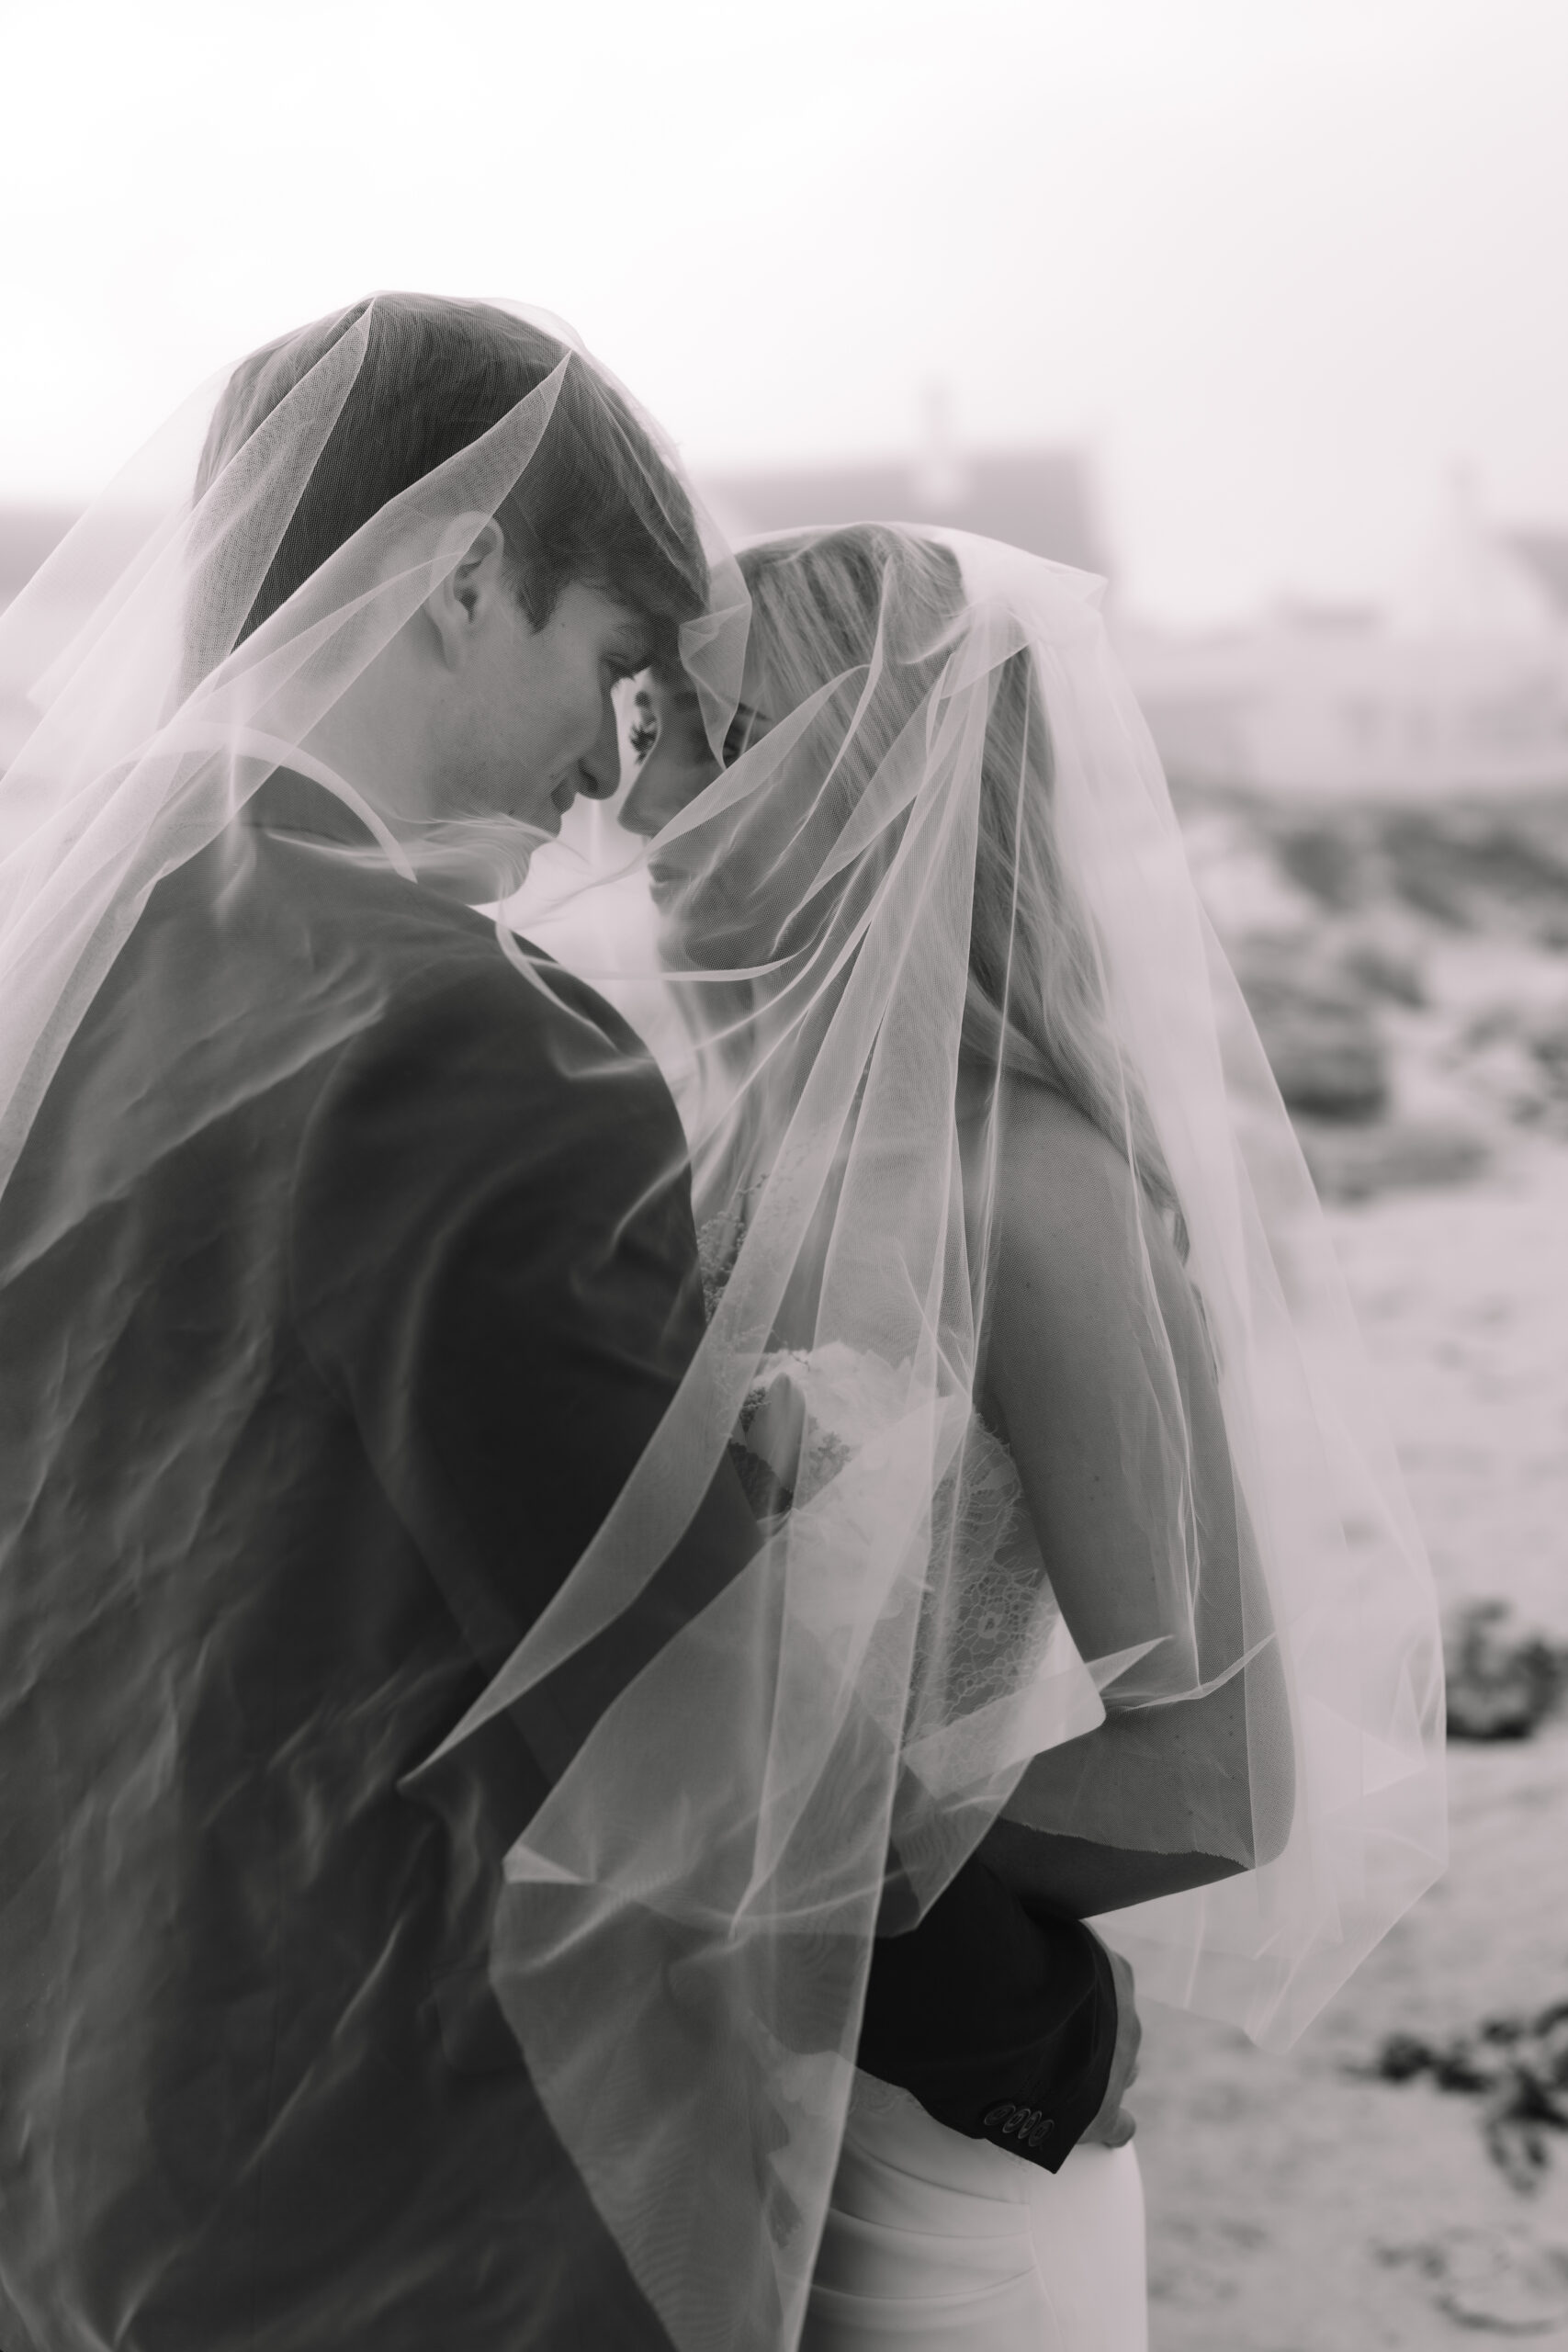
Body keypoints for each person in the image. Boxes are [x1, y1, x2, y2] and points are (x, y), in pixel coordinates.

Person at [0, 302, 1136, 2352]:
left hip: (76, 2128)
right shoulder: (456, 1031)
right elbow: (690, 1700)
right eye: (614, 664)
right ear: (456, 579)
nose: (616, 771)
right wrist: (1029, 2018)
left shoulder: (63, 971)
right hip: (396, 2179)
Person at [582, 521, 1448, 2346]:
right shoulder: (735, 1141)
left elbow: (1210, 1775)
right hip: (715, 2123)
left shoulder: (1028, 1189)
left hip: (932, 2176)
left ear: (833, 777)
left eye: (686, 733)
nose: (625, 793)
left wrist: (801, 1885)